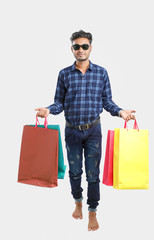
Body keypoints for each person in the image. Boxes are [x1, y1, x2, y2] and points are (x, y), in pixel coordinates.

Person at [35, 30, 136, 231]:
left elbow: (107, 101)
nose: (80, 50)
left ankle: (92, 211)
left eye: (84, 46)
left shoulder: (101, 73)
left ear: (91, 47)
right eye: (77, 46)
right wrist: (48, 110)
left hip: (93, 132)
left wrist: (120, 112)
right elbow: (59, 102)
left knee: (93, 174)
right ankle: (78, 202)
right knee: (74, 172)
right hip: (72, 131)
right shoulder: (64, 74)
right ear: (72, 48)